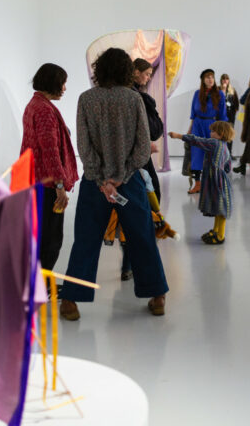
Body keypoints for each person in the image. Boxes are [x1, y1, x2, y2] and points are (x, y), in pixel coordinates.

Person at [59, 48, 169, 321]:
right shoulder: (133, 99)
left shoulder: (86, 99)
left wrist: (101, 179)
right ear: (125, 71)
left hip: (95, 184)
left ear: (99, 69)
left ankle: (71, 300)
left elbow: (83, 145)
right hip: (129, 182)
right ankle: (157, 296)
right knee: (141, 237)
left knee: (86, 239)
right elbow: (143, 146)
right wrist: (121, 175)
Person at [20, 63, 79, 271]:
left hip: (34, 181)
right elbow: (50, 151)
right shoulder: (44, 110)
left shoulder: (34, 104)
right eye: (62, 83)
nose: (64, 88)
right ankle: (41, 288)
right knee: (51, 240)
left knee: (41, 237)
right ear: (52, 83)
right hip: (46, 185)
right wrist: (60, 185)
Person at [169, 121, 234, 244]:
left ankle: (220, 235)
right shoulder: (225, 146)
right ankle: (217, 231)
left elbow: (197, 141)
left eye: (213, 131)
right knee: (219, 207)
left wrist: (179, 136)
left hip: (214, 180)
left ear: (221, 134)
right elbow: (228, 166)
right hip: (222, 180)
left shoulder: (214, 143)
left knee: (219, 209)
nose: (210, 133)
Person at [188, 69, 228, 195]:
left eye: (212, 77)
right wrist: (190, 129)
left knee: (213, 154)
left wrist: (222, 132)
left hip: (212, 126)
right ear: (203, 80)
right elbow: (193, 114)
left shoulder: (220, 94)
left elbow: (222, 114)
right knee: (197, 154)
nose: (210, 79)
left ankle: (214, 184)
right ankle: (197, 184)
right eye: (207, 77)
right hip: (198, 125)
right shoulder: (197, 93)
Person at [133, 58, 164, 199]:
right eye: (147, 74)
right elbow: (152, 130)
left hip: (140, 150)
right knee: (149, 190)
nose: (149, 77)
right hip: (137, 153)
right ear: (136, 72)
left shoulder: (138, 95)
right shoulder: (136, 97)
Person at [219, 74, 239, 156]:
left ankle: (228, 153)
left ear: (229, 80)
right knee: (220, 135)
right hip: (220, 117)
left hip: (230, 117)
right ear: (221, 80)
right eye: (223, 79)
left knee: (229, 136)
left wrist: (233, 112)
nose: (225, 80)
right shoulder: (217, 89)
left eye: (226, 79)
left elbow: (236, 104)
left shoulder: (232, 90)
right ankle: (220, 153)